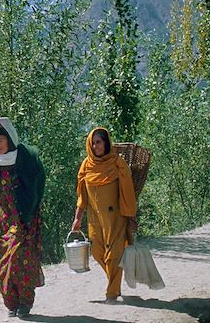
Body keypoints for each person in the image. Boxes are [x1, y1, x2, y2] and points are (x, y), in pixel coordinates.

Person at [0, 117, 46, 318]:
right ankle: (12, 303)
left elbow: (38, 185)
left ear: (10, 138)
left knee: (20, 257)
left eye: (0, 140)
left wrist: (29, 211)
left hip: (23, 215)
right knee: (1, 260)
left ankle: (25, 302)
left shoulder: (26, 157)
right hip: (0, 218)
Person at [71, 127, 137, 304]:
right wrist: (77, 218)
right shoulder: (86, 165)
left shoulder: (117, 164)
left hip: (116, 218)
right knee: (98, 253)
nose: (95, 146)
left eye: (98, 142)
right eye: (92, 143)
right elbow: (82, 197)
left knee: (113, 255)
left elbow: (127, 194)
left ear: (106, 143)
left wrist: (131, 218)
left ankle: (112, 293)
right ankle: (115, 280)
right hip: (95, 219)